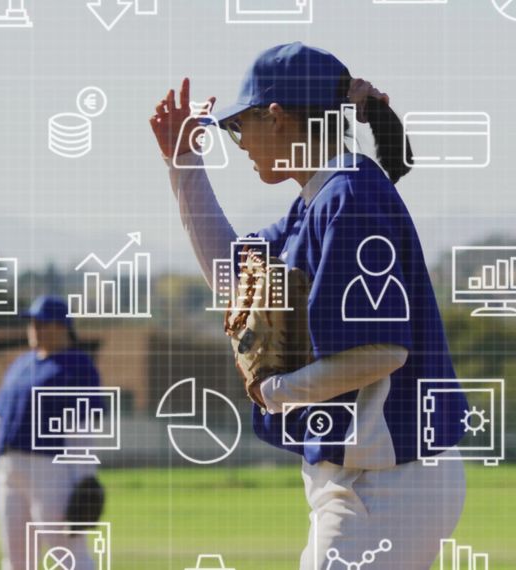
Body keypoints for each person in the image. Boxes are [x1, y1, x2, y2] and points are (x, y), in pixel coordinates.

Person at [150, 42, 470, 569]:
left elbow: (383, 350)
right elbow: (236, 277)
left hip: (388, 480)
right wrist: (183, 165)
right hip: (374, 475)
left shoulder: (349, 197)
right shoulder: (319, 201)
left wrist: (278, 391)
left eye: (239, 127)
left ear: (276, 118)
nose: (239, 142)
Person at [0, 295, 102, 570]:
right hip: (10, 470)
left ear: (62, 327)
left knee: (69, 555)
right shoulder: (21, 364)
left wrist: (85, 479)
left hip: (51, 470)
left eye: (42, 323)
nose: (34, 328)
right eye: (32, 322)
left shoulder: (78, 366)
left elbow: (82, 426)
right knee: (16, 559)